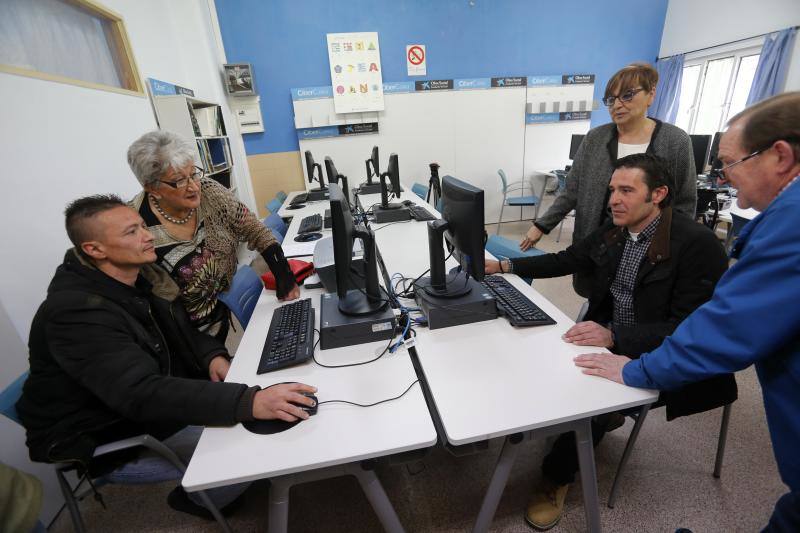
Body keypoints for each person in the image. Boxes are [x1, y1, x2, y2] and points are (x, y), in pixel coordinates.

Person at [574, 92, 800, 532]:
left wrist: (636, 370)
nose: (725, 177)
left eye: (731, 163)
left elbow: (724, 331)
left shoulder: (789, 225)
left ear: (780, 156)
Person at [16, 195, 316, 515]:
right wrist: (247, 402)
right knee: (256, 437)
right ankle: (196, 499)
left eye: (144, 226)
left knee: (257, 419)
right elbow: (140, 393)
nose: (148, 236)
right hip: (103, 430)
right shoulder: (76, 314)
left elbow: (182, 330)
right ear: (94, 249)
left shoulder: (141, 277)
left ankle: (218, 479)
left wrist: (212, 356)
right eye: (131, 232)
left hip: (147, 397)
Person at [487, 153, 736, 530]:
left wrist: (616, 335)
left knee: (586, 391)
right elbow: (568, 258)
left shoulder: (696, 244)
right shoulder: (616, 228)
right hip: (612, 334)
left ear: (659, 194)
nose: (614, 200)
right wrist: (505, 267)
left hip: (665, 353)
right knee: (537, 347)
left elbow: (693, 329)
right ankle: (587, 419)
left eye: (626, 190)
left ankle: (557, 476)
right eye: (612, 190)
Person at [520, 63, 697, 297]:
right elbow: (572, 190)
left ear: (651, 94)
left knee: (637, 306)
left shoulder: (675, 141)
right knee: (595, 301)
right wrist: (541, 225)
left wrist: (668, 245)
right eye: (611, 99)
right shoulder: (596, 138)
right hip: (596, 242)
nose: (617, 105)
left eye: (627, 95)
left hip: (647, 249)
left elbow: (685, 203)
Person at [127, 130, 299, 340]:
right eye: (179, 181)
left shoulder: (210, 191)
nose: (193, 187)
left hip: (219, 316)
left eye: (193, 174)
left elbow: (255, 229)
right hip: (180, 336)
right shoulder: (136, 225)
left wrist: (283, 273)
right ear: (152, 188)